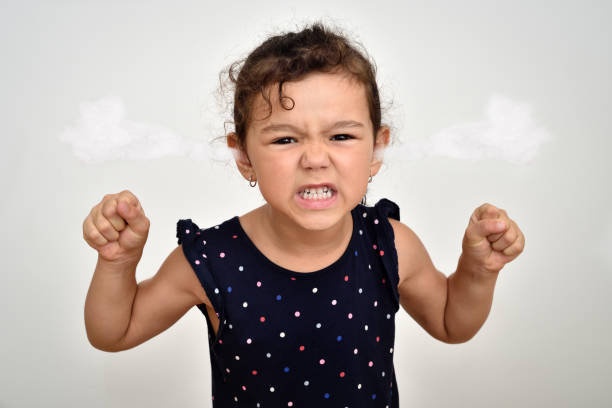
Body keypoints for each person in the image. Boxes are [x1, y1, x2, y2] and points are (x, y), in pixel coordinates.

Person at [83, 22, 525, 407]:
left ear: (378, 148)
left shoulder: (388, 243)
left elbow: (452, 322)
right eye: (285, 140)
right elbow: (114, 332)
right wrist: (117, 263)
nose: (315, 158)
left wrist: (478, 270)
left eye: (341, 136)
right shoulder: (212, 261)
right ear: (243, 157)